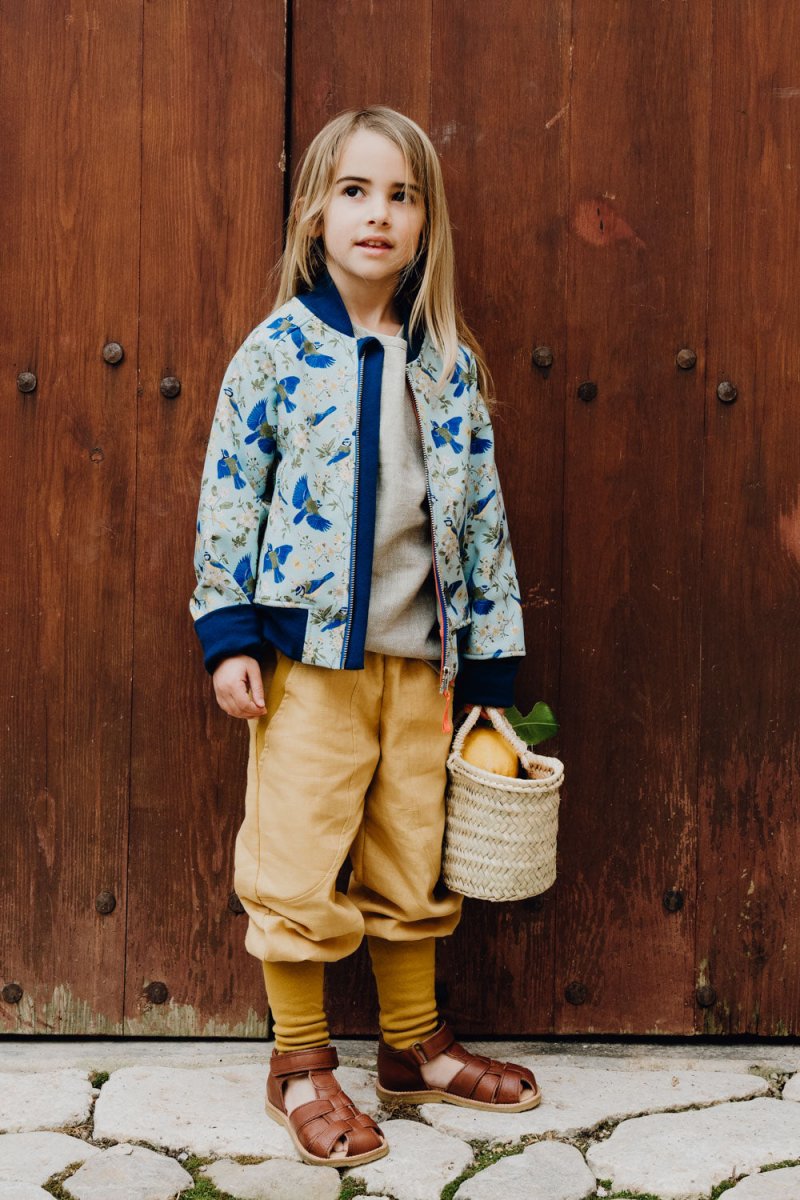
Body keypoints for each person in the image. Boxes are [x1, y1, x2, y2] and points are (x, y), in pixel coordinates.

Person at [190, 105, 540, 1169]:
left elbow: (481, 521)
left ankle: (410, 1046)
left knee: (411, 859)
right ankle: (298, 1062)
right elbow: (230, 496)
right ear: (315, 215)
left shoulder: (448, 364)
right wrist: (229, 635)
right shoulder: (276, 354)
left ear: (424, 223)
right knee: (295, 859)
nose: (376, 214)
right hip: (307, 667)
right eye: (354, 191)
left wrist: (489, 670)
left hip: (421, 671)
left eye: (400, 195)